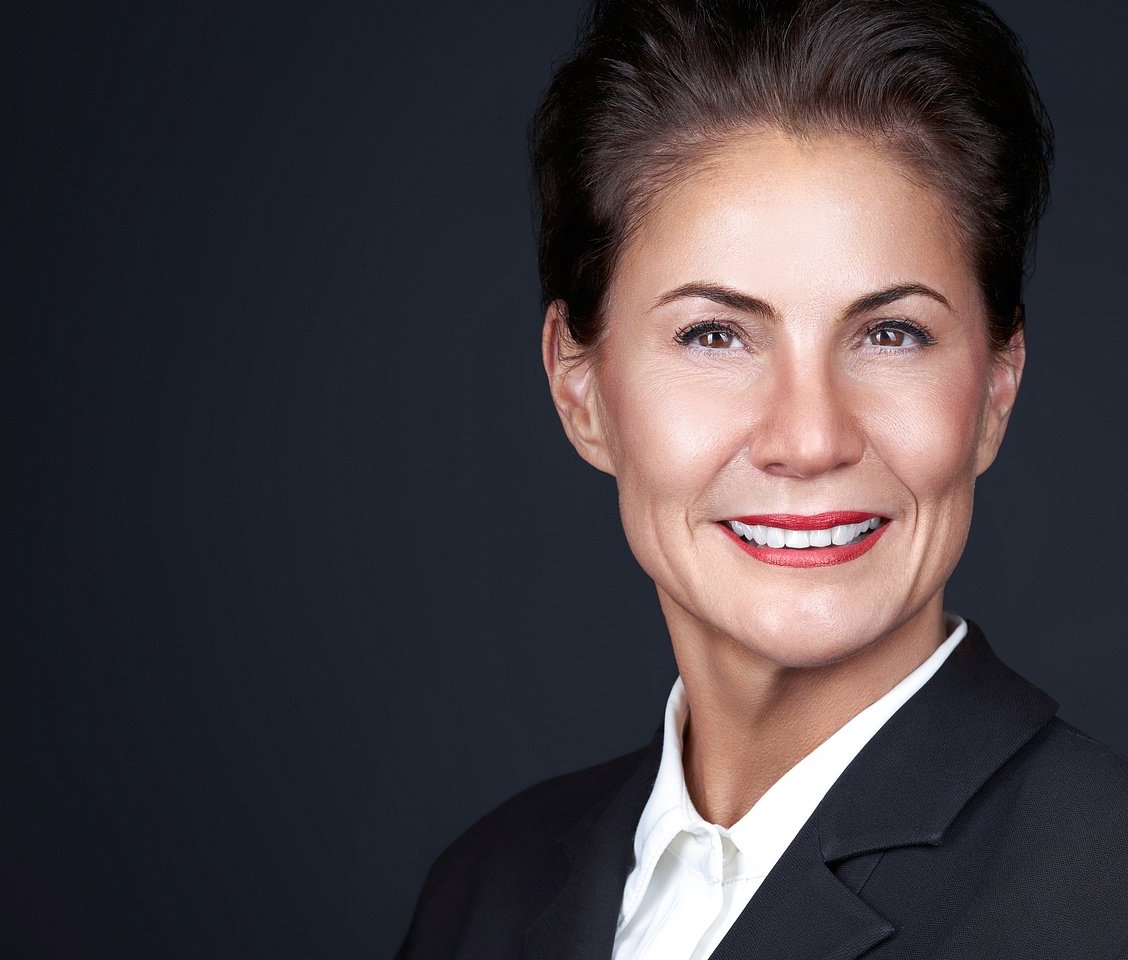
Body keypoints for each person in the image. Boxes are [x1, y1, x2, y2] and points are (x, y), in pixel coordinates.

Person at [396, 0, 1128, 957]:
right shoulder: (486, 890)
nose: (810, 437)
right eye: (714, 334)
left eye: (890, 333)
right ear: (581, 390)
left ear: (994, 390)